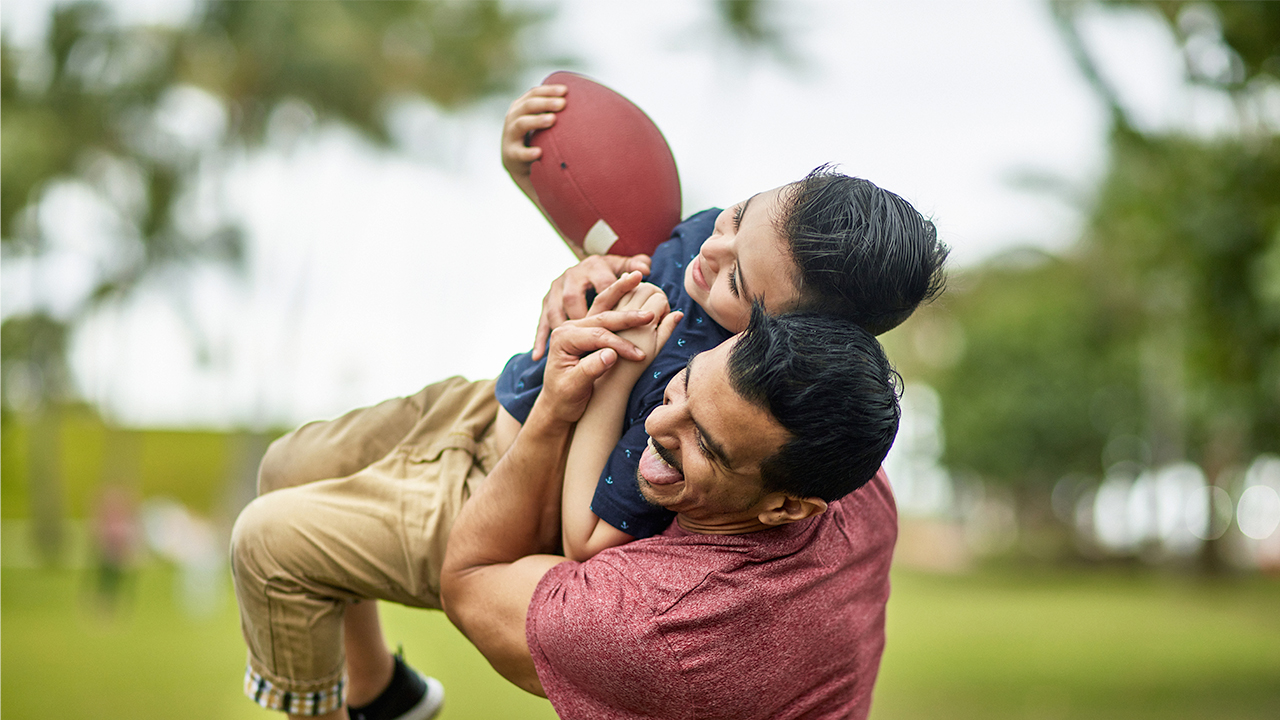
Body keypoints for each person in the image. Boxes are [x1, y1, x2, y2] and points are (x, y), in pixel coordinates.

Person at [229, 81, 944, 719]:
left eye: (739, 285)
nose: (710, 250)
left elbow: (579, 539)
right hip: (491, 405)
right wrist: (543, 184)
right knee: (288, 463)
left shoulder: (704, 401)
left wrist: (610, 379)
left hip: (517, 475)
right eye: (734, 218)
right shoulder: (718, 254)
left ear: (791, 331)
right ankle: (382, 691)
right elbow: (629, 241)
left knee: (269, 542)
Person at [441, 304, 902, 720]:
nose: (655, 424)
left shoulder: (648, 621)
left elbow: (469, 580)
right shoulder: (863, 490)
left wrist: (553, 410)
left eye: (705, 442)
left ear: (786, 507)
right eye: (683, 380)